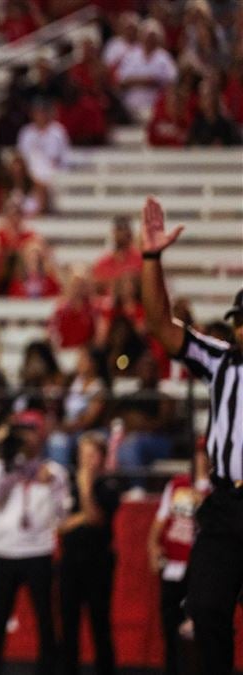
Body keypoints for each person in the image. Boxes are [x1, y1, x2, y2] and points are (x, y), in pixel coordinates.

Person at [139, 196, 243, 675]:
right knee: (204, 610)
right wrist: (152, 258)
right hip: (225, 503)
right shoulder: (222, 363)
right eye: (239, 322)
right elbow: (161, 324)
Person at [0, 409, 69, 675]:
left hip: (38, 550)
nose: (26, 439)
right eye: (22, 433)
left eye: (31, 432)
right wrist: (5, 469)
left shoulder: (54, 472)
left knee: (45, 619)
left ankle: (48, 668)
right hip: (5, 550)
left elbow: (61, 514)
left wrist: (50, 484)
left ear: (40, 437)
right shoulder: (4, 467)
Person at [58, 432, 121, 675]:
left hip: (98, 562)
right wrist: (82, 516)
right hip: (70, 562)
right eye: (83, 455)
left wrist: (85, 489)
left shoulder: (108, 486)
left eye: (92, 455)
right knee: (68, 625)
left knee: (100, 624)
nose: (86, 460)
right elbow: (58, 525)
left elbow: (96, 518)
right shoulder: (67, 486)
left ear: (102, 458)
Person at [147, 447, 211, 675]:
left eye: (205, 454)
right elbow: (160, 521)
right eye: (198, 454)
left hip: (201, 569)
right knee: (170, 627)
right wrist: (153, 547)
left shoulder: (219, 490)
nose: (201, 459)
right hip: (174, 565)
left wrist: (203, 490)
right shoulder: (177, 484)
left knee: (200, 630)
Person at [91, 215, 142, 295]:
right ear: (113, 232)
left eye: (124, 229)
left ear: (130, 233)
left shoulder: (140, 260)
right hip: (109, 306)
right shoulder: (102, 263)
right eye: (119, 230)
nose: (121, 234)